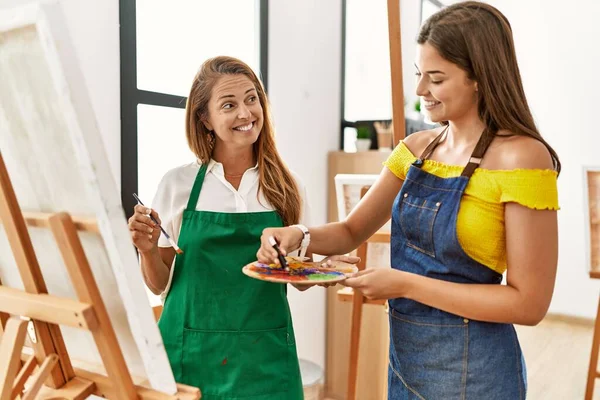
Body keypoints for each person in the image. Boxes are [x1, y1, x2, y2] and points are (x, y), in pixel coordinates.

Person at [257, 2, 560, 399]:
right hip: (406, 367)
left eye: (436, 78)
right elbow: (350, 231)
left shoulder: (522, 157)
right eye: (419, 75)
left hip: (476, 376)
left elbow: (529, 304)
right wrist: (296, 235)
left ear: (479, 78)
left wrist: (405, 284)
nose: (420, 91)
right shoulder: (416, 150)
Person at [128, 56, 340, 399]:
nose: (245, 113)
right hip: (188, 354)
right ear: (205, 119)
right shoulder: (177, 184)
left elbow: (300, 282)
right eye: (229, 104)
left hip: (265, 357)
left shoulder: (287, 186)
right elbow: (158, 284)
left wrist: (322, 270)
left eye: (251, 99)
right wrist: (147, 249)